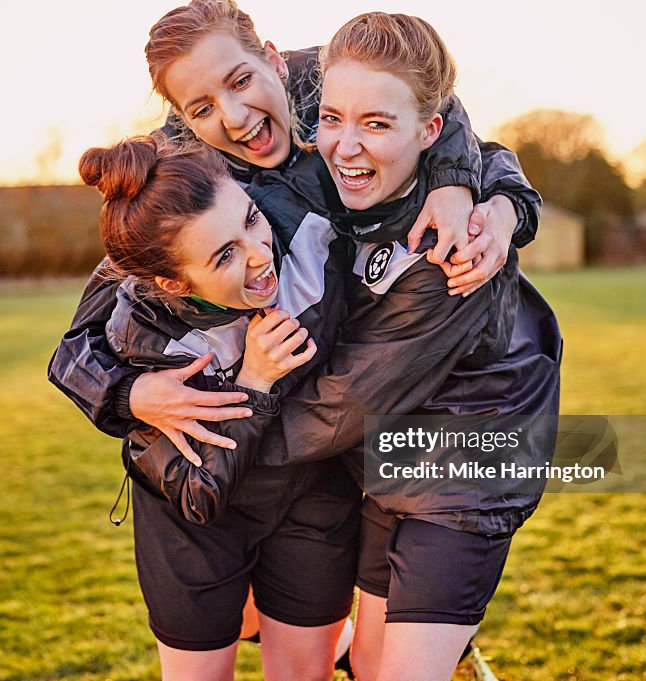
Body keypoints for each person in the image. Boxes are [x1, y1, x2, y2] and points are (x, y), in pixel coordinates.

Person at [49, 0, 541, 462]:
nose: (235, 117)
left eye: (241, 81)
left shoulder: (328, 80)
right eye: (201, 109)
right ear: (182, 120)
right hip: (307, 432)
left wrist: (489, 198)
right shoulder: (180, 177)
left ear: (274, 61)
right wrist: (129, 394)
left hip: (444, 392)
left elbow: (433, 94)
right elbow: (78, 343)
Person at [236, 13, 562, 680]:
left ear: (429, 133)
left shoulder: (453, 246)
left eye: (377, 125)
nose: (345, 146)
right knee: (363, 657)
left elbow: (344, 401)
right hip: (390, 456)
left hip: (468, 466)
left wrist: (226, 440)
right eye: (332, 118)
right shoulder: (342, 178)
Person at [79, 135, 361, 681]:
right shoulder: (146, 339)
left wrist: (479, 193)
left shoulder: (304, 229)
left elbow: (407, 120)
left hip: (310, 496)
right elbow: (195, 492)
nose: (260, 253)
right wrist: (254, 381)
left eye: (251, 220)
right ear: (174, 282)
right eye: (225, 255)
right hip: (193, 525)